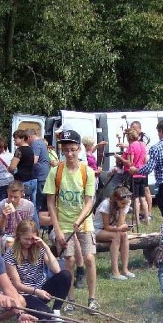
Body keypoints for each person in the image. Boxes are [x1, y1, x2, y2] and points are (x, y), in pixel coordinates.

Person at [43, 129, 100, 312]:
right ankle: (70, 299)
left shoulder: (87, 172)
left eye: (73, 149)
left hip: (84, 223)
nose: (69, 153)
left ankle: (91, 299)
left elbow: (89, 201)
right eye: (66, 150)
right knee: (69, 260)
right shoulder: (56, 171)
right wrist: (57, 229)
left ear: (80, 149)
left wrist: (80, 218)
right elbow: (50, 203)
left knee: (89, 258)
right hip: (63, 223)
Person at [3, 219, 72, 323]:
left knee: (65, 275)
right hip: (25, 294)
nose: (29, 242)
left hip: (41, 290)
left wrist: (45, 247)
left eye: (32, 239)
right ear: (18, 236)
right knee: (47, 317)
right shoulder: (11, 253)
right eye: (26, 239)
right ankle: (41, 313)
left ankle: (56, 310)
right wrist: (36, 291)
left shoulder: (38, 248)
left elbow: (56, 269)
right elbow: (17, 285)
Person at [94, 185, 135, 280]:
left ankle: (125, 269)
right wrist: (119, 229)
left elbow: (120, 224)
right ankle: (115, 272)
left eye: (126, 203)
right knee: (116, 236)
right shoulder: (106, 204)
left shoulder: (125, 203)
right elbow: (107, 226)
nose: (125, 205)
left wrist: (121, 212)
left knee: (124, 235)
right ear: (116, 199)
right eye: (122, 203)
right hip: (97, 229)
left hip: (111, 229)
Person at [8, 129, 38, 213]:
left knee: (21, 207)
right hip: (32, 180)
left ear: (21, 138)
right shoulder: (30, 149)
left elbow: (12, 167)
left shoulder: (19, 150)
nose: (14, 141)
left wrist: (9, 168)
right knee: (32, 207)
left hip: (22, 181)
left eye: (15, 138)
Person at [28, 129, 52, 211]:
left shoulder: (36, 144)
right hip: (43, 174)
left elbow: (34, 160)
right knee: (43, 201)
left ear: (29, 137)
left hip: (40, 176)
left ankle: (40, 221)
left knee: (39, 202)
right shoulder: (41, 142)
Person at [0, 135, 15, 203]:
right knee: (10, 202)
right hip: (10, 180)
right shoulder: (12, 156)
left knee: (0, 203)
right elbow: (15, 169)